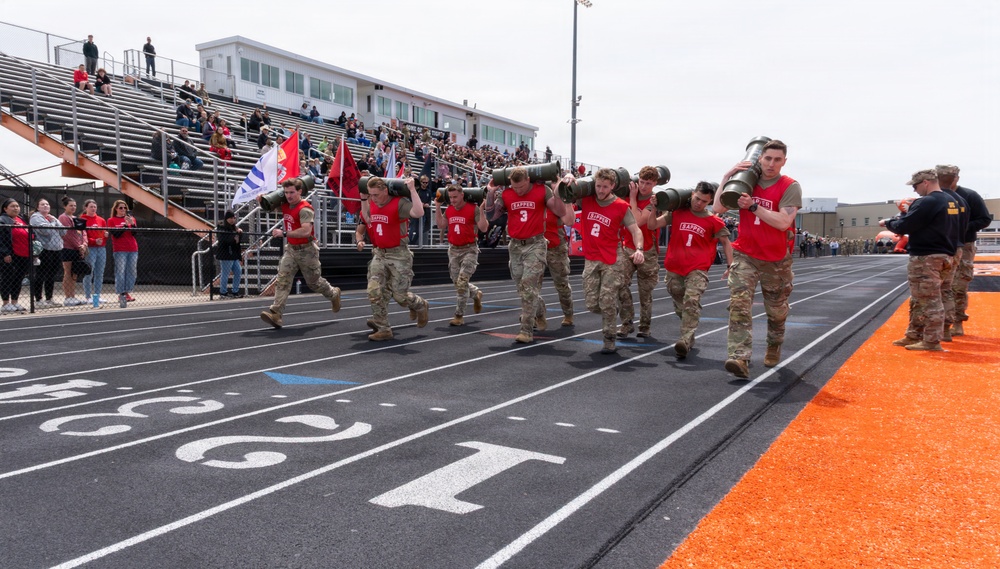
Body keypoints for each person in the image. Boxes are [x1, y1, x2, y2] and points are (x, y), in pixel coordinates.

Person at [713, 139, 802, 379]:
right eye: (767, 158)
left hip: (776, 259)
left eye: (777, 159)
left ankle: (774, 343)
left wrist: (754, 208)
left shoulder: (789, 186)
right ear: (759, 158)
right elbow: (718, 208)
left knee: (776, 311)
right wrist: (726, 178)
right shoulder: (746, 182)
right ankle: (739, 356)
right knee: (739, 304)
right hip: (745, 254)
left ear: (784, 162)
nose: (771, 164)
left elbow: (784, 222)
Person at [485, 167, 575, 343]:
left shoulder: (542, 190)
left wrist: (558, 191)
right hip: (516, 245)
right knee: (521, 285)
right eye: (514, 187)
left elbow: (562, 212)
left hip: (536, 244)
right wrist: (490, 194)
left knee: (529, 285)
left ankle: (526, 329)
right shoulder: (507, 194)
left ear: (528, 180)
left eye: (521, 187)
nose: (518, 191)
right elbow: (492, 216)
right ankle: (539, 310)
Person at [649, 182, 733, 358]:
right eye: (697, 199)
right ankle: (690, 330)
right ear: (692, 194)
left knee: (691, 301)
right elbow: (652, 226)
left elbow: (726, 242)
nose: (698, 203)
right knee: (681, 305)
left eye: (704, 201)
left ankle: (685, 339)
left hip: (698, 268)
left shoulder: (714, 221)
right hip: (674, 266)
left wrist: (729, 266)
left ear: (709, 201)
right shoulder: (678, 213)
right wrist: (653, 208)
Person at [880, 169, 959, 351]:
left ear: (925, 182)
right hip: (946, 254)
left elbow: (906, 224)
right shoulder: (952, 201)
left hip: (927, 256)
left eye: (915, 186)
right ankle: (914, 334)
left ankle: (931, 340)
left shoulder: (927, 202)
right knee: (920, 297)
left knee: (930, 299)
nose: (915, 191)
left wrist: (888, 223)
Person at [577, 168, 646, 354]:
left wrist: (639, 249)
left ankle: (609, 339)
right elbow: (564, 192)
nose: (600, 190)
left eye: (605, 187)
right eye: (598, 186)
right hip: (591, 257)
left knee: (606, 302)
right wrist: (567, 179)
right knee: (592, 304)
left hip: (612, 258)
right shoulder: (586, 199)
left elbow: (635, 230)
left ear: (612, 186)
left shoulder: (621, 206)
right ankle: (612, 308)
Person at [259, 178, 343, 329]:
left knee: (314, 283)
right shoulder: (285, 204)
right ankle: (276, 313)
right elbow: (269, 207)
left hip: (307, 250)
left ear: (299, 191)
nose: (289, 195)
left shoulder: (305, 208)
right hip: (291, 249)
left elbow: (306, 231)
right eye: (286, 192)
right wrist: (262, 200)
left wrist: (284, 233)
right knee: (283, 279)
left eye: (292, 192)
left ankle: (333, 293)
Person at [361, 177, 430, 340]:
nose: (374, 198)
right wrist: (364, 198)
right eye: (371, 195)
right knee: (374, 289)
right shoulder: (372, 202)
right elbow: (367, 217)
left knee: (400, 296)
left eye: (376, 195)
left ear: (385, 191)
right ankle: (383, 327)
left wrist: (413, 190)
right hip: (379, 253)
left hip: (398, 254)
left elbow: (418, 212)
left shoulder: (399, 203)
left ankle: (420, 305)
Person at [936, 165, 992, 336]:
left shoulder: (969, 196)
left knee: (959, 286)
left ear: (957, 178)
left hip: (964, 245)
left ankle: (958, 321)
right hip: (941, 246)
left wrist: (961, 227)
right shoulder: (935, 197)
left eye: (950, 177)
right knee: (938, 286)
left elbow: (984, 219)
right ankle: (939, 324)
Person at [617, 166, 662, 338]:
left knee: (645, 291)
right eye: (641, 182)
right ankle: (627, 323)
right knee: (620, 283)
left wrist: (634, 199)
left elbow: (637, 221)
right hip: (627, 245)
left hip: (648, 250)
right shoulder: (627, 194)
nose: (643, 186)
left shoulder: (655, 201)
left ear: (655, 183)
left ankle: (644, 326)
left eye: (648, 183)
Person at [435, 185, 489, 326]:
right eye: (450, 197)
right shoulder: (450, 209)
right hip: (453, 250)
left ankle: (459, 315)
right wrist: (438, 207)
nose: (452, 200)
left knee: (462, 281)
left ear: (462, 196)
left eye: (455, 197)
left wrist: (481, 210)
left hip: (469, 249)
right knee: (457, 282)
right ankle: (475, 293)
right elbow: (441, 225)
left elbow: (483, 228)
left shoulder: (473, 209)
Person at [541, 207, 575, 327]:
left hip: (556, 248)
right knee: (531, 284)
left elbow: (570, 221)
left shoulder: (556, 203)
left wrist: (566, 200)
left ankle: (568, 313)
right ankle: (535, 315)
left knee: (562, 284)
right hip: (536, 247)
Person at [29, 198, 65, 308]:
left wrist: (53, 222)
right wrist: (54, 223)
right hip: (44, 250)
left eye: (47, 204)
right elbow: (46, 231)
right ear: (38, 207)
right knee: (41, 274)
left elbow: (64, 231)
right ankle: (38, 299)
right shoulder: (36, 217)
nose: (46, 206)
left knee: (51, 275)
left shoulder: (52, 217)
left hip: (57, 249)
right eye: (43, 204)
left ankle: (49, 298)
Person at [0, 198, 32, 313]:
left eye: (17, 206)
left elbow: (30, 233)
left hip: (24, 254)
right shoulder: (2, 220)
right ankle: (5, 303)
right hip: (11, 254)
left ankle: (14, 301)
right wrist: (5, 253)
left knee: (18, 278)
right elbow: (1, 240)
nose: (16, 208)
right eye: (12, 206)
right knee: (7, 278)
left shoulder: (21, 219)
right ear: (5, 208)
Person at [107, 200, 138, 307]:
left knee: (132, 271)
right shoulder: (111, 220)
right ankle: (121, 293)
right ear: (116, 209)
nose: (123, 210)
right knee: (120, 271)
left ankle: (127, 291)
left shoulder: (132, 219)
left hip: (132, 248)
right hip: (120, 249)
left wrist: (132, 224)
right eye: (121, 208)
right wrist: (125, 225)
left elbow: (134, 233)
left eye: (125, 208)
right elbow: (115, 234)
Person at [58, 197, 87, 306]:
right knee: (68, 272)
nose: (73, 207)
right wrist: (78, 246)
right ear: (65, 206)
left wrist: (84, 245)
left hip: (78, 249)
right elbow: (68, 235)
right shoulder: (63, 217)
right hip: (67, 248)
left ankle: (73, 296)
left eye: (74, 205)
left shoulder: (77, 218)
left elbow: (83, 233)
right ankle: (67, 297)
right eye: (71, 205)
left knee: (74, 273)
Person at [79, 199, 108, 307]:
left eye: (94, 207)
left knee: (99, 273)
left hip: (101, 248)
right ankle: (88, 296)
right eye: (91, 206)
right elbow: (82, 235)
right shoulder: (82, 219)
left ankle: (97, 295)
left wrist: (104, 237)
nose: (93, 209)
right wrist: (93, 241)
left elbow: (104, 233)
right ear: (85, 208)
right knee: (88, 272)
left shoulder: (101, 220)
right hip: (90, 248)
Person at [216, 210, 244, 298]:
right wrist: (235, 235)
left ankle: (235, 291)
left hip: (234, 254)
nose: (232, 220)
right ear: (226, 219)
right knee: (225, 273)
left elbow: (237, 241)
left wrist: (239, 234)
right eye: (230, 218)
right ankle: (223, 292)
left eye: (234, 218)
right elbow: (225, 239)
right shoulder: (222, 227)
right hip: (226, 254)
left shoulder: (234, 228)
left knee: (238, 271)